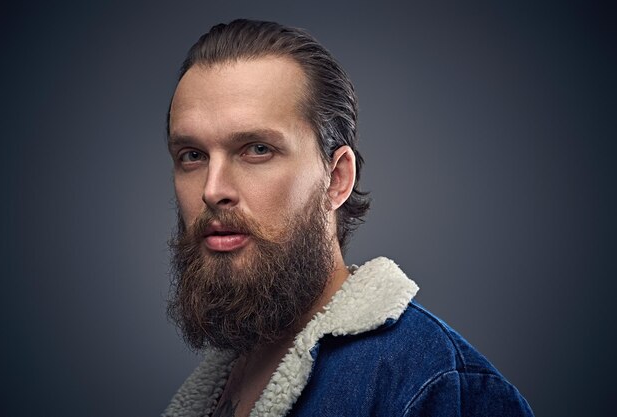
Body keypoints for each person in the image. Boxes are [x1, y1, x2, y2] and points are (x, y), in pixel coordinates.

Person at [163, 19, 533, 417]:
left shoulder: (437, 385)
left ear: (336, 180)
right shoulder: (226, 377)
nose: (213, 189)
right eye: (193, 155)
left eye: (257, 149)